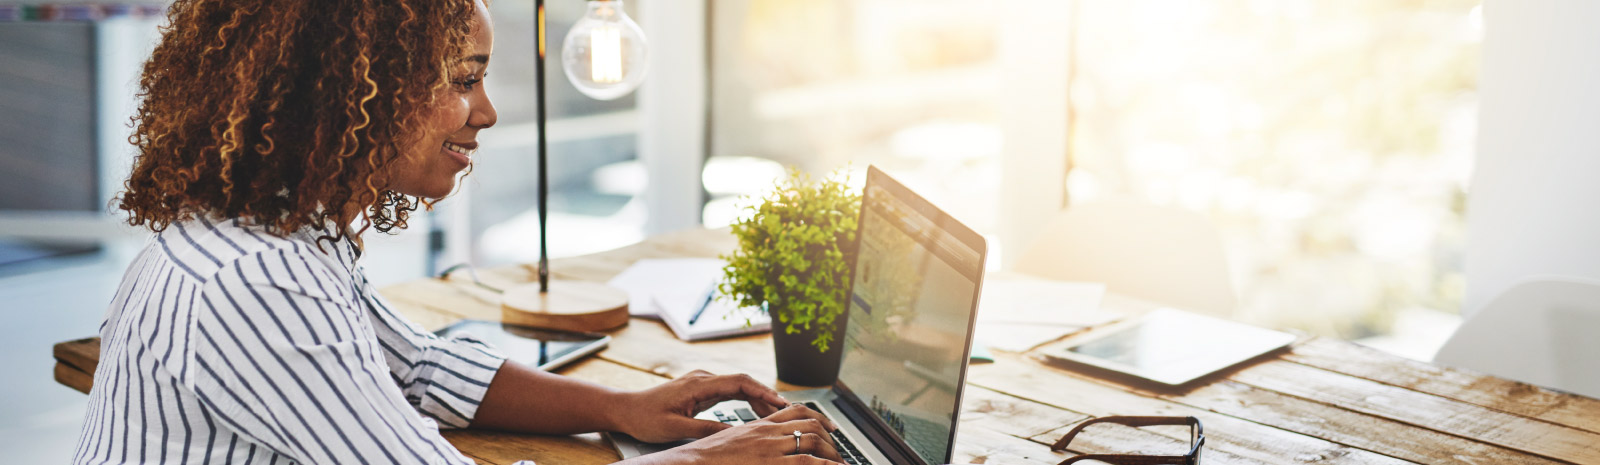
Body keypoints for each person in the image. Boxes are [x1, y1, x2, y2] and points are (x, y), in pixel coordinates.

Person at [72, 0, 845, 463]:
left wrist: (620, 408)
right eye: (463, 80)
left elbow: (420, 371)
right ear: (355, 91)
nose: (487, 111)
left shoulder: (281, 236)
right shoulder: (255, 281)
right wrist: (710, 456)